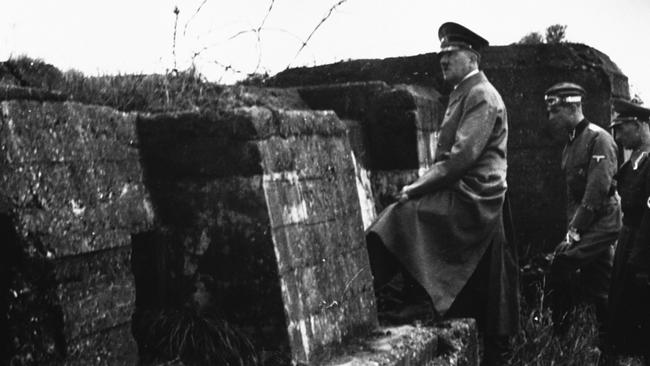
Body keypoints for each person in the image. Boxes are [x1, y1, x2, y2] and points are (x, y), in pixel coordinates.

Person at [366, 22, 519, 365]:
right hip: (464, 186)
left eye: (451, 55)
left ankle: (414, 297)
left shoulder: (480, 94)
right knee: (406, 214)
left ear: (472, 58)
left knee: (403, 215)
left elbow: (460, 159)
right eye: (442, 55)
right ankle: (412, 294)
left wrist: (414, 188)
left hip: (475, 193)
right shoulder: (466, 91)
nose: (444, 61)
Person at [543, 83, 621, 343]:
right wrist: (571, 229)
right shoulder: (571, 143)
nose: (551, 118)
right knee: (601, 286)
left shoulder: (599, 140)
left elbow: (595, 195)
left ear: (572, 107)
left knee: (561, 264)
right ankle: (610, 346)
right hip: (587, 222)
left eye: (555, 111)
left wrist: (573, 234)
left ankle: (559, 338)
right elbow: (572, 197)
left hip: (604, 220)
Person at [607, 98, 650, 364]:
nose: (618, 136)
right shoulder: (635, 160)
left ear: (638, 125)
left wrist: (640, 260)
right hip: (630, 240)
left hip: (644, 243)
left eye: (621, 129)